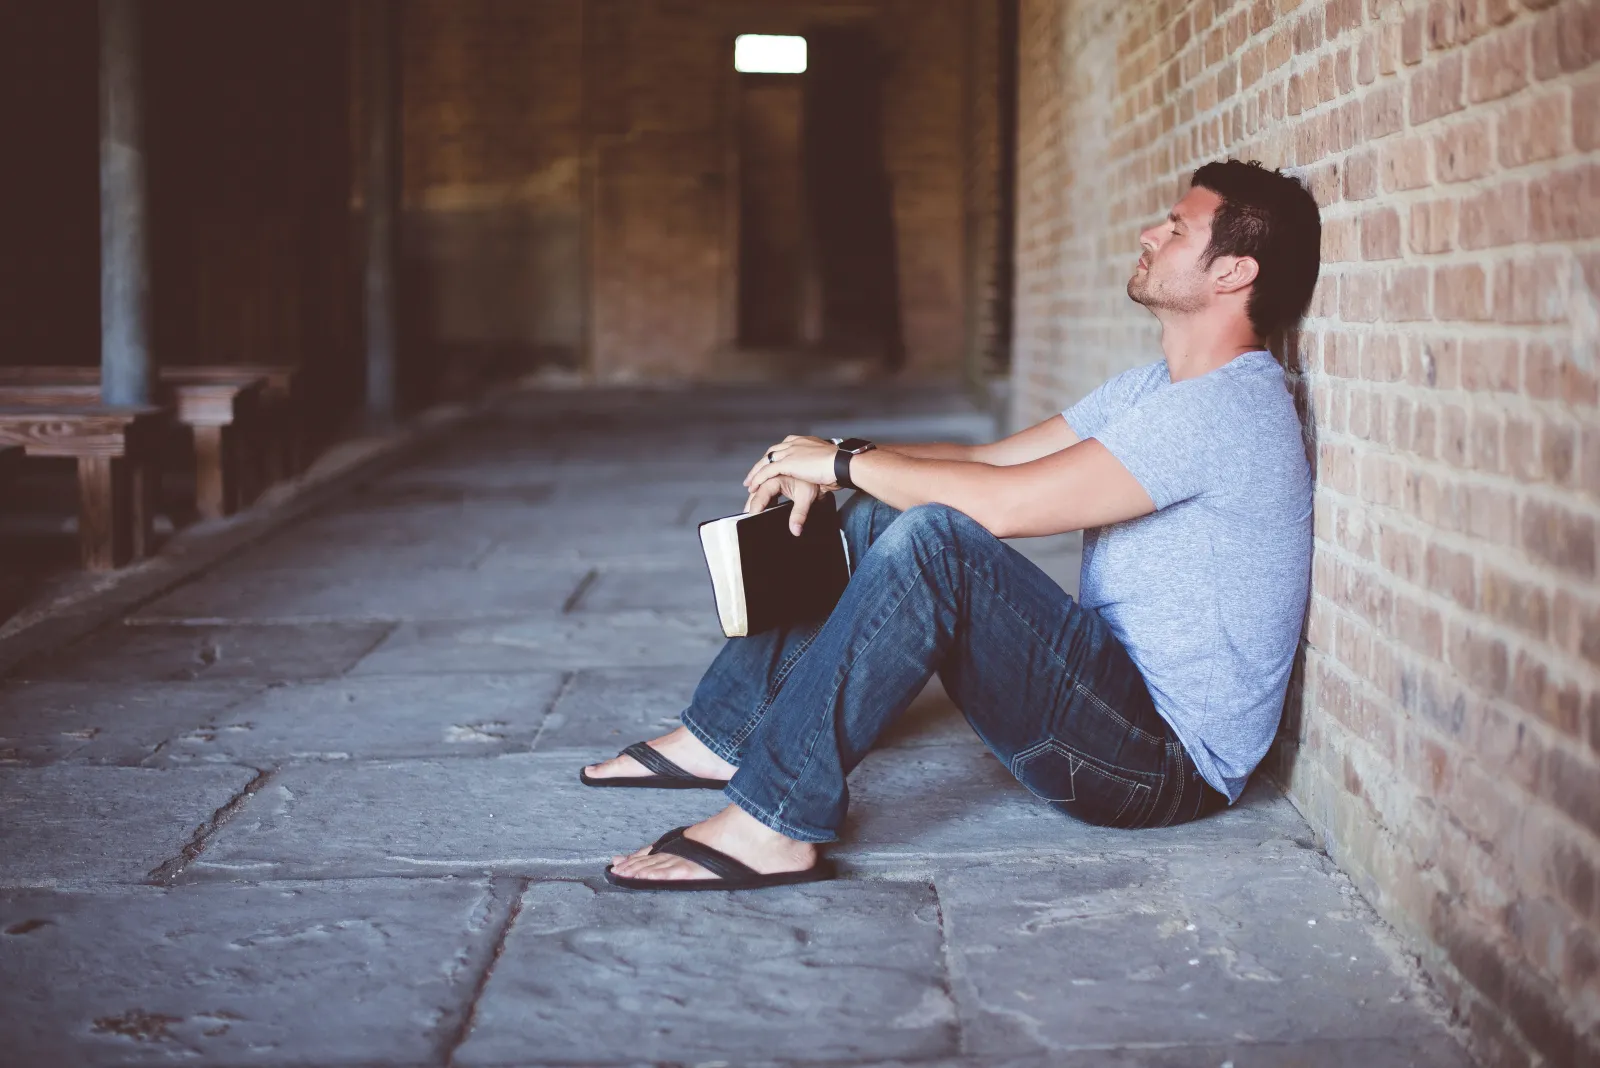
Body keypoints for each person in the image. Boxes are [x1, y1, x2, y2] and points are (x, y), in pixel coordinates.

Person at [583, 159, 1321, 891]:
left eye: (1175, 227)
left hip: (1154, 766)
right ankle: (723, 736)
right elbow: (985, 460)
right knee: (886, 506)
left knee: (935, 542)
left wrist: (839, 464)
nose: (1147, 232)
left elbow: (1004, 508)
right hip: (1107, 700)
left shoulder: (1226, 410)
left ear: (1233, 273)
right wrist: (834, 458)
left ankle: (773, 821)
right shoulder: (1155, 388)